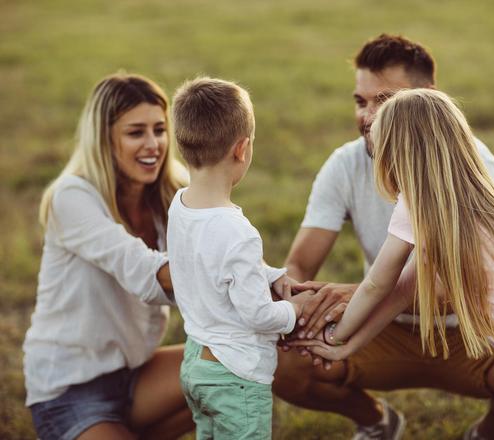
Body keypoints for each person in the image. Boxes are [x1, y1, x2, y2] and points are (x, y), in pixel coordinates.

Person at [293, 88, 494, 440]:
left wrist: (335, 335)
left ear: (394, 155)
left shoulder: (416, 205)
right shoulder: (482, 205)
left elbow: (377, 284)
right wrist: (349, 346)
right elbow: (403, 291)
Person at [276, 34, 494, 439]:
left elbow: (448, 287)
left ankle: (487, 433)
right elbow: (299, 264)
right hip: (381, 328)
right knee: (282, 358)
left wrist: (355, 293)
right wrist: (298, 299)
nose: (367, 116)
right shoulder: (346, 163)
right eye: (361, 102)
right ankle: (376, 422)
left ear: (428, 99)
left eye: (385, 101)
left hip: (467, 332)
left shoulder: (474, 164)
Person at [23, 73, 193, 440]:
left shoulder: (173, 191)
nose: (154, 145)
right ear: (104, 139)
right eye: (136, 133)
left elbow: (228, 252)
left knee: (239, 364)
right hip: (70, 390)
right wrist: (247, 289)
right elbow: (144, 271)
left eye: (160, 130)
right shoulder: (71, 196)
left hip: (137, 374)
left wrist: (284, 290)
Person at [167, 77, 313, 439]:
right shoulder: (239, 232)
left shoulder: (180, 205)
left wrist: (271, 274)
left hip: (196, 365)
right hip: (236, 377)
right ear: (242, 149)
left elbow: (216, 263)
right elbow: (259, 315)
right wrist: (297, 310)